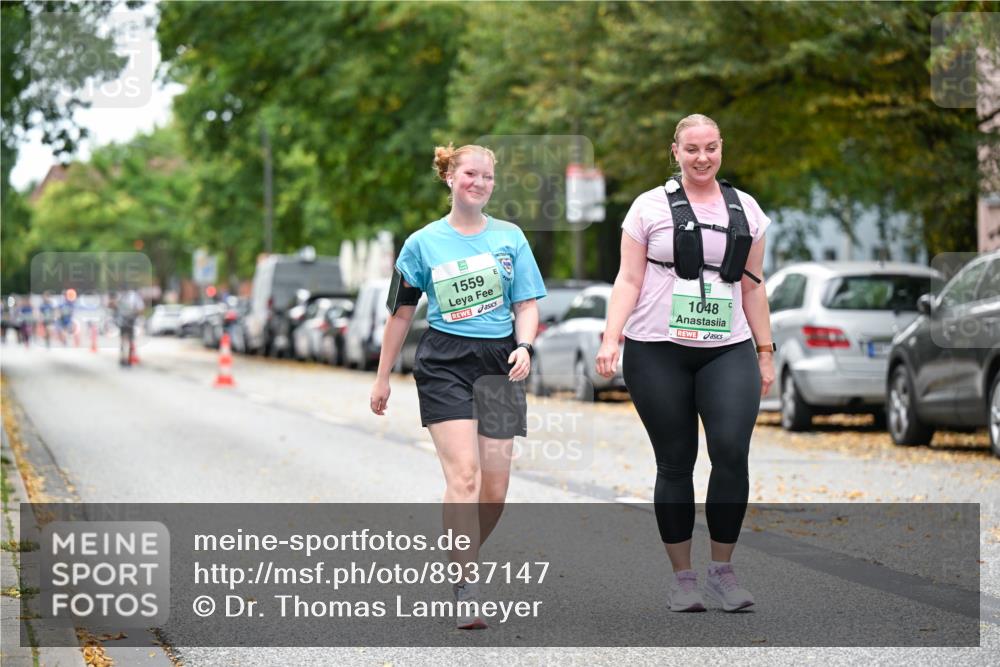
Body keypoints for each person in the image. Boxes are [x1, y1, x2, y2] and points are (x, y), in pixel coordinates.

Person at [596, 114, 775, 613]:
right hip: (657, 348)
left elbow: (753, 286)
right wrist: (612, 339)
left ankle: (723, 570)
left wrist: (765, 351)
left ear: (722, 148)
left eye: (711, 148)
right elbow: (627, 280)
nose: (702, 158)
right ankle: (683, 579)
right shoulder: (648, 207)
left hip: (727, 346)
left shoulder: (747, 210)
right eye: (692, 149)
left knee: (731, 451)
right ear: (674, 151)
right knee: (676, 463)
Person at [370, 143, 546, 629]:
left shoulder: (511, 238)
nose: (480, 183)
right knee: (464, 476)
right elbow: (401, 313)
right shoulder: (422, 243)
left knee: (495, 489)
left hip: (499, 362)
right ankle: (467, 584)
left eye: (488, 177)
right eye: (471, 174)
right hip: (445, 360)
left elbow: (527, 304)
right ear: (449, 177)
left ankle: (459, 555)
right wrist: (383, 376)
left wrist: (525, 346)